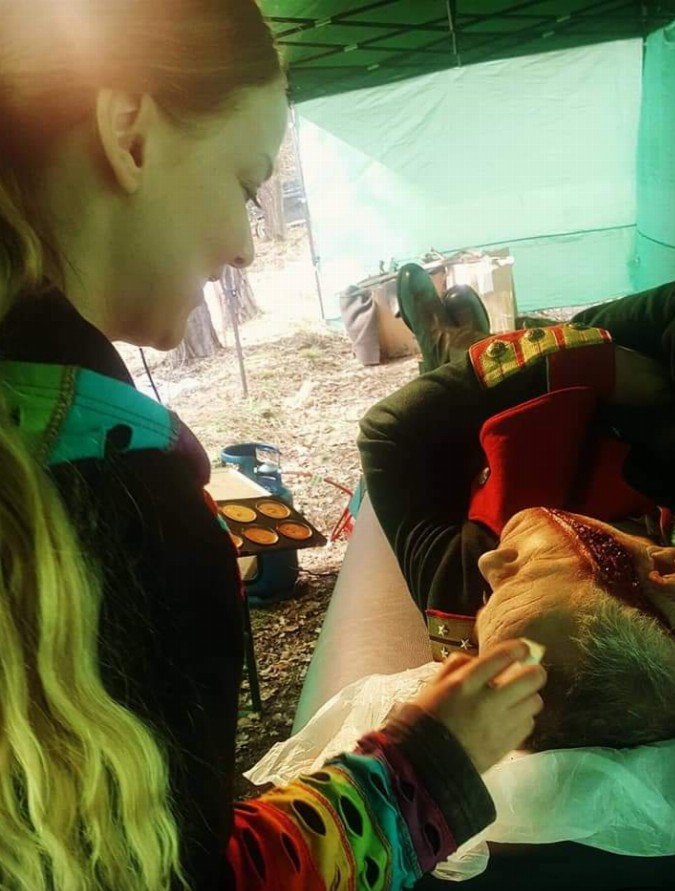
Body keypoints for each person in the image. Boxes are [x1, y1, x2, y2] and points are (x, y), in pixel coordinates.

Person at [0, 3, 546, 890]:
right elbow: (182, 874)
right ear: (128, 133)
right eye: (245, 185)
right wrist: (423, 770)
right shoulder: (116, 509)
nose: (246, 246)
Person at [359, 263, 675, 752]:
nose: (490, 564)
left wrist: (585, 363)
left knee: (485, 353)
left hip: (469, 426)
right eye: (520, 576)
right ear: (665, 571)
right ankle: (469, 340)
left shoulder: (461, 601)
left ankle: (448, 342)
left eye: (491, 598)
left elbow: (387, 435)